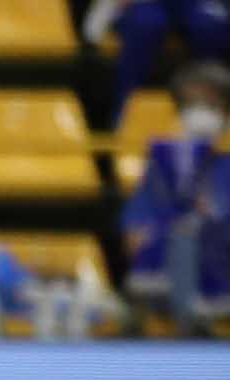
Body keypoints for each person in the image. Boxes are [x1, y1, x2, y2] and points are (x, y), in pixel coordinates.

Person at [123, 59, 230, 329]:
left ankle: (194, 324)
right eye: (191, 106)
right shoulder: (165, 160)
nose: (200, 114)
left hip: (219, 257)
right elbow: (140, 209)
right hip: (172, 256)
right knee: (174, 235)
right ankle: (185, 324)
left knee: (190, 234)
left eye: (210, 106)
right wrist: (137, 227)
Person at [88, 0, 230, 108]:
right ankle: (127, 109)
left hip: (198, 5)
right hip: (143, 4)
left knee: (210, 26)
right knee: (146, 24)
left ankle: (212, 107)